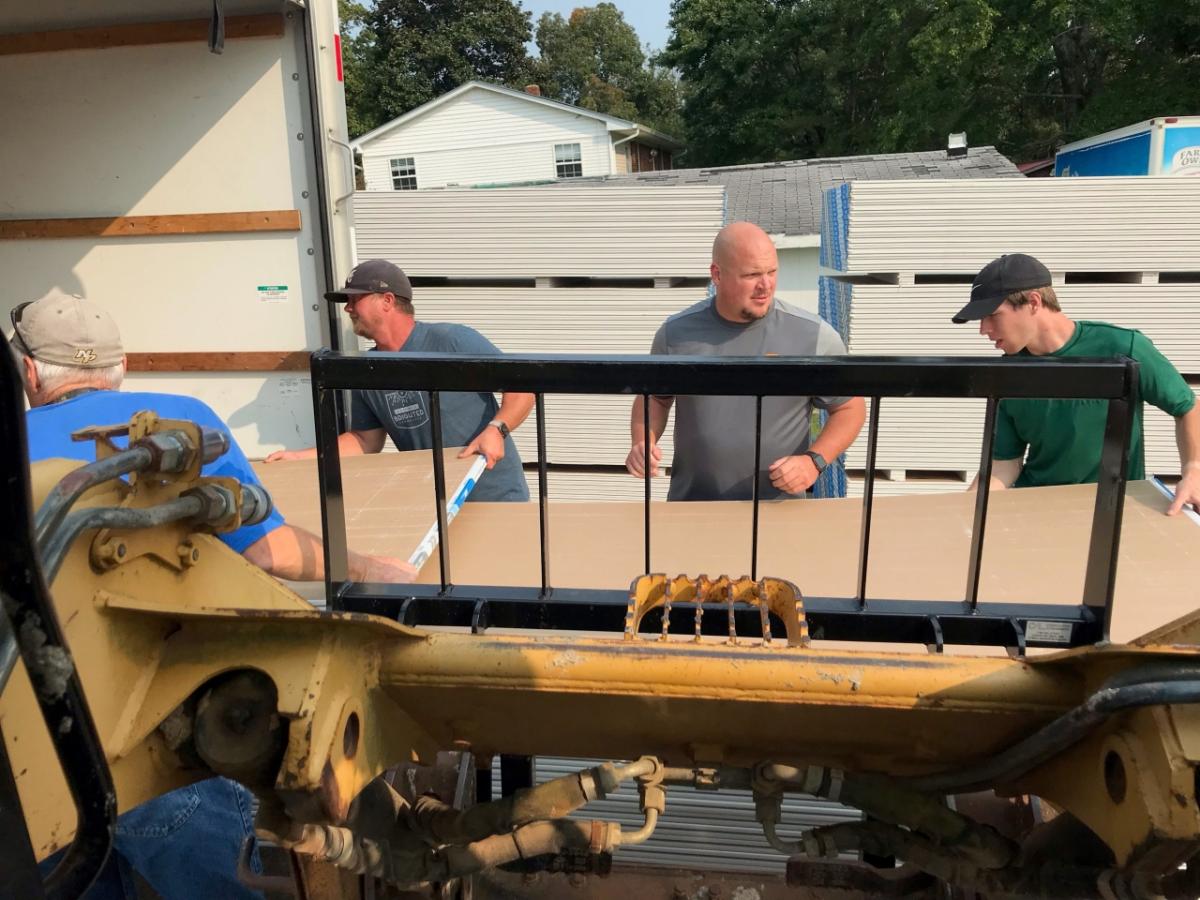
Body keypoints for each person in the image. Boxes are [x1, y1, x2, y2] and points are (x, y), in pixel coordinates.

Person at [9, 289, 415, 900]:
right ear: (120, 368)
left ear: (30, 371)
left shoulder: (18, 444)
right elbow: (267, 550)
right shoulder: (177, 417)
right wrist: (371, 567)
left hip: (34, 755)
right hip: (163, 742)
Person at [626, 221, 866, 501]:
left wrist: (814, 461)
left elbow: (850, 407)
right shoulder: (676, 335)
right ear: (717, 274)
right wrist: (643, 441)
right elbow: (655, 398)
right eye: (752, 275)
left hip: (779, 512)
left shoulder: (812, 336)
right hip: (693, 508)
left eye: (772, 272)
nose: (765, 286)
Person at [265, 259, 534, 503]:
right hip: (437, 505)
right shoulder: (366, 369)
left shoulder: (452, 340)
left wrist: (497, 429)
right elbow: (365, 440)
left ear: (387, 300)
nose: (347, 308)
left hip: (495, 496)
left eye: (355, 299)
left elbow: (521, 388)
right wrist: (300, 458)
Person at [952, 252, 1200, 515]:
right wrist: (960, 511)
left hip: (1113, 509)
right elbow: (1005, 464)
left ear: (1033, 302)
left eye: (992, 315)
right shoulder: (1009, 373)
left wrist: (1193, 469)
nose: (983, 329)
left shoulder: (1123, 348)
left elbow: (1187, 407)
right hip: (1037, 510)